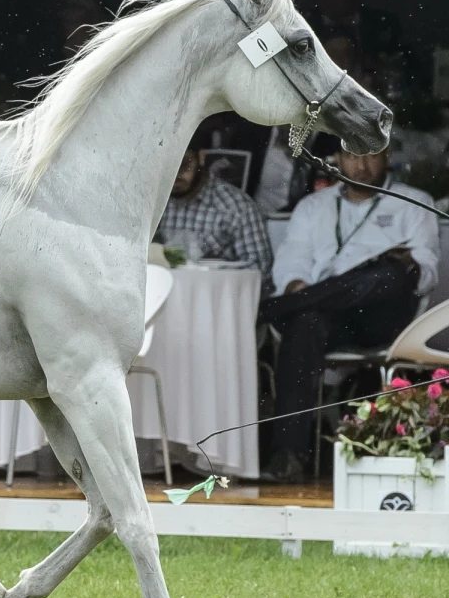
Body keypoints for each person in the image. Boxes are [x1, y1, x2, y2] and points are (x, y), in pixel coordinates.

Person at [260, 144, 439, 481]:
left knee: (389, 274)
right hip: (330, 318)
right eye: (353, 156)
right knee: (307, 320)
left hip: (381, 317)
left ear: (386, 158)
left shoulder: (413, 202)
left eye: (371, 154)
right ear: (337, 160)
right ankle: (289, 455)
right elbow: (292, 261)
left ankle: (283, 308)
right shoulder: (314, 207)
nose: (362, 165)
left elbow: (427, 273)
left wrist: (408, 265)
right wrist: (298, 286)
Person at [156, 139, 274, 290]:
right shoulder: (155, 204)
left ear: (202, 158)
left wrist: (211, 274)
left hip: (216, 299)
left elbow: (260, 268)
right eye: (168, 168)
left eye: (184, 165)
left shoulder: (235, 206)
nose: (176, 174)